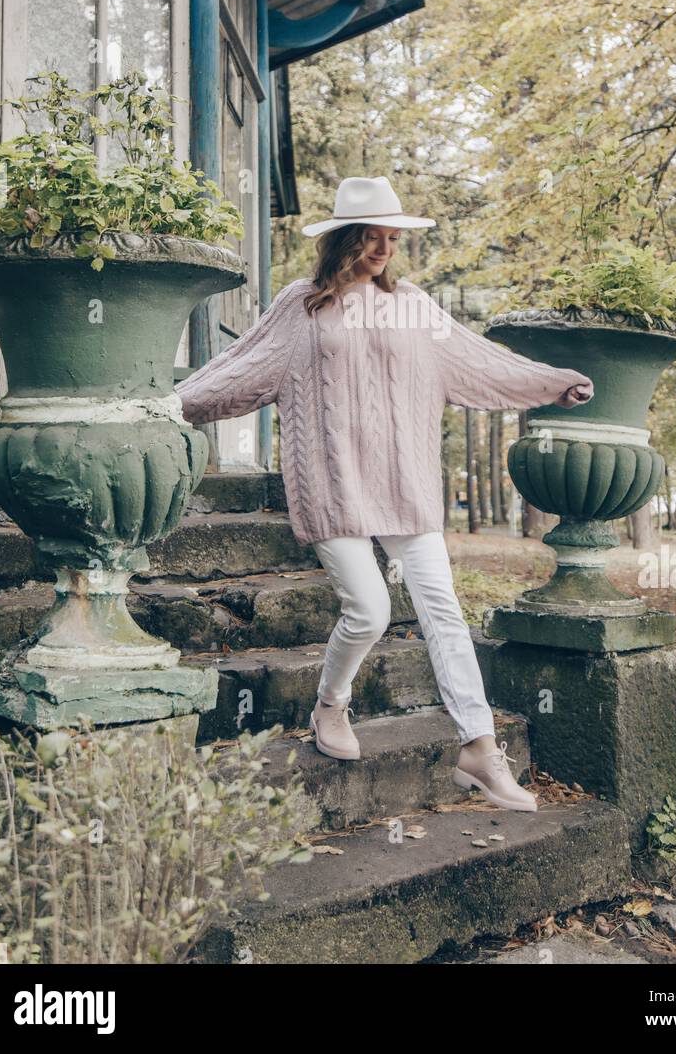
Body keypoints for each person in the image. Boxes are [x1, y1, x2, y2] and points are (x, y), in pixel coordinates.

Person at [175, 176, 594, 812]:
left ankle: (479, 748)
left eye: (393, 237)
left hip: (406, 481)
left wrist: (550, 381)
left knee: (443, 613)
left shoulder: (416, 308)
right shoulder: (303, 305)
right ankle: (330, 703)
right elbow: (238, 374)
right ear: (344, 239)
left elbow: (481, 363)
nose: (385, 249)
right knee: (369, 610)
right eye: (373, 237)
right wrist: (166, 404)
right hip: (333, 479)